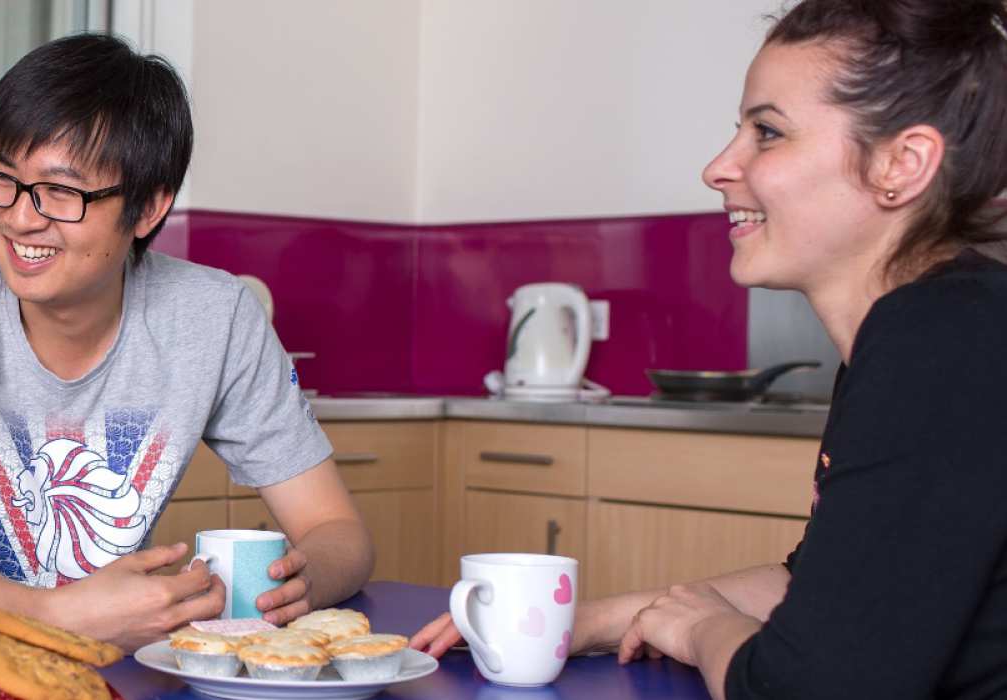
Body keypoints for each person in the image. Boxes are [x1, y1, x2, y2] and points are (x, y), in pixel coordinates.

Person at [412, 1, 1007, 696]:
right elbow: (822, 585)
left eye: (768, 132)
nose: (718, 167)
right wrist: (590, 621)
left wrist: (700, 631)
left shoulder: (941, 344)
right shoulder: (935, 327)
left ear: (901, 164)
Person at [0, 33, 374, 650]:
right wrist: (62, 618)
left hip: (84, 664)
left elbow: (337, 530)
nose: (17, 217)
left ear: (147, 210)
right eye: (1, 178)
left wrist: (299, 587)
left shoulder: (216, 318)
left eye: (60, 192)